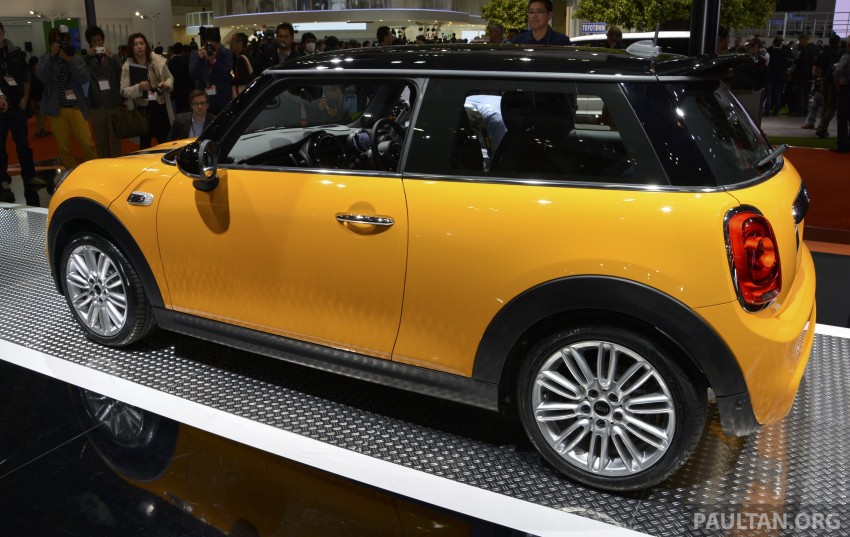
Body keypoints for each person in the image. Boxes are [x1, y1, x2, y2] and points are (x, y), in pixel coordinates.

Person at [37, 26, 97, 171]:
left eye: (63, 41)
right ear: (51, 43)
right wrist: (51, 57)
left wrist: (70, 60)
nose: (61, 44)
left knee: (87, 143)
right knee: (64, 147)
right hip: (56, 109)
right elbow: (41, 77)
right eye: (57, 42)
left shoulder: (75, 57)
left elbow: (84, 78)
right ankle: (71, 173)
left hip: (76, 107)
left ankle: (96, 171)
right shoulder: (47, 58)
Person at [0, 21, 37, 203]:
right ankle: (3, 180)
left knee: (24, 144)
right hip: (1, 109)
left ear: (3, 33)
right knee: (0, 147)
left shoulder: (15, 52)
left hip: (18, 106)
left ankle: (29, 176)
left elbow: (26, 76)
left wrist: (25, 99)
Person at [120, 32, 174, 149]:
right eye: (136, 44)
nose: (139, 46)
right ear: (131, 47)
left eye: (142, 43)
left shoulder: (157, 60)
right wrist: (138, 87)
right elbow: (123, 91)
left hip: (160, 104)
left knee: (164, 140)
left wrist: (166, 84)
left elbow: (170, 77)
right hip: (142, 109)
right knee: (145, 143)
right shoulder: (127, 65)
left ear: (146, 45)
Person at [84, 26, 123, 158]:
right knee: (100, 140)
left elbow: (120, 75)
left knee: (115, 138)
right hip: (96, 105)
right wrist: (89, 57)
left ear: (103, 40)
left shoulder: (114, 57)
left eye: (99, 41)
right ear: (90, 43)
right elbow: (81, 74)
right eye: (94, 42)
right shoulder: (87, 60)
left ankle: (117, 164)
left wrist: (111, 58)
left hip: (112, 103)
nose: (97, 44)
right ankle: (102, 165)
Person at [189, 27, 233, 115]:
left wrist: (214, 61)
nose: (211, 49)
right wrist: (199, 59)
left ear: (219, 43)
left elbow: (226, 73)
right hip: (202, 99)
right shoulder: (197, 54)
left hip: (222, 98)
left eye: (215, 46)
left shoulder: (226, 53)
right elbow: (193, 75)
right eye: (208, 46)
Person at [810, 35, 843, 138]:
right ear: (839, 42)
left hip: (824, 80)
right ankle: (821, 128)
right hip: (835, 82)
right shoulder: (841, 53)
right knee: (832, 107)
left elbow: (815, 70)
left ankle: (822, 128)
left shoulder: (823, 53)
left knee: (826, 105)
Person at [832, 39, 850, 153]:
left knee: (842, 118)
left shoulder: (846, 56)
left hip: (846, 88)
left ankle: (842, 145)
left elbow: (837, 70)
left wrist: (837, 82)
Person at [167, 43, 192, 114]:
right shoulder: (185, 61)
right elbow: (189, 75)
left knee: (178, 109)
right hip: (186, 89)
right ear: (182, 50)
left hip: (175, 88)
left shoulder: (170, 62)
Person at [230, 33, 255, 98]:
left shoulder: (241, 59)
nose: (230, 44)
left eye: (232, 41)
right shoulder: (247, 56)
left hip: (245, 94)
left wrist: (230, 80)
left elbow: (244, 79)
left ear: (240, 44)